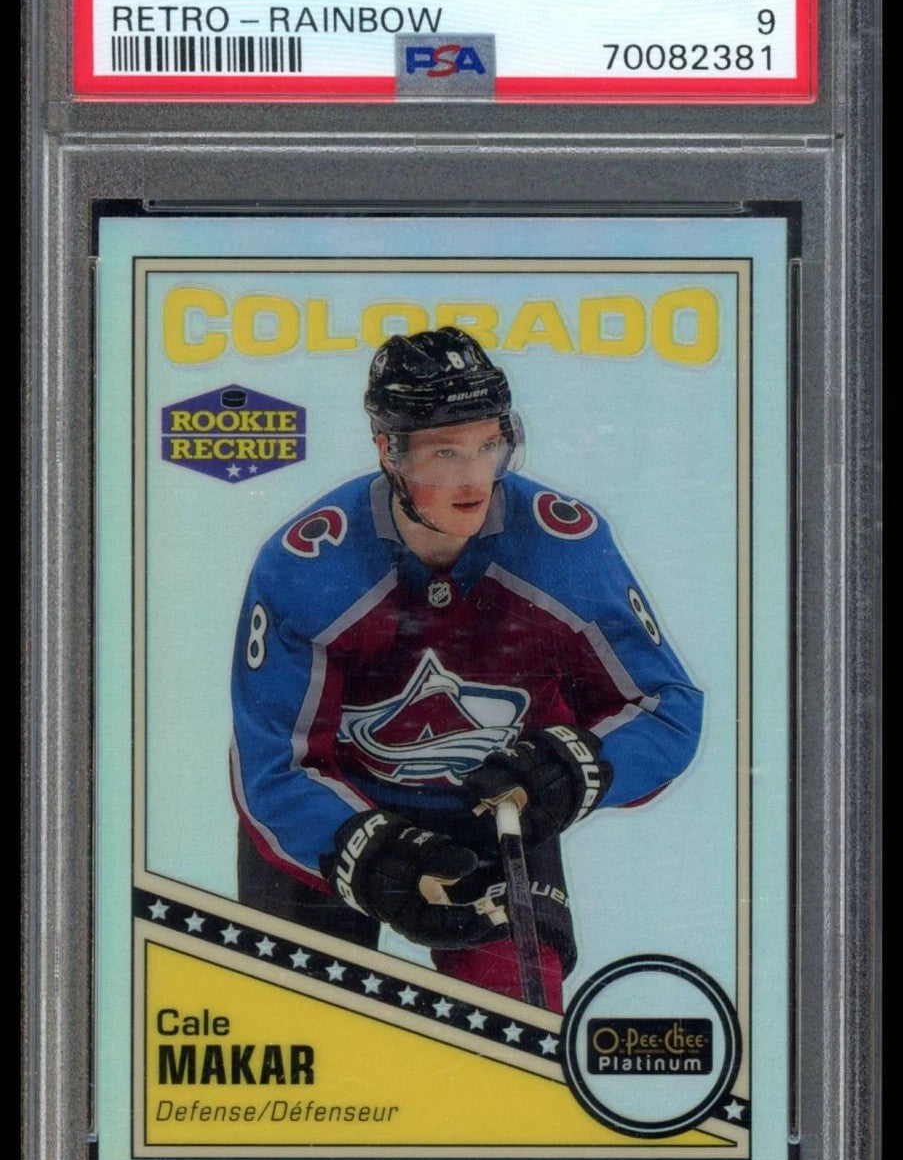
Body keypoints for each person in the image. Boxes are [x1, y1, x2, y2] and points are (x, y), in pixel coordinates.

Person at [230, 329, 703, 1012]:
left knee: (515, 1032)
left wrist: (573, 769)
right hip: (331, 808)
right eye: (445, 452)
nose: (474, 478)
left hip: (493, 811)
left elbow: (667, 707)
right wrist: (365, 855)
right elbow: (272, 766)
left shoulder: (566, 550)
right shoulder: (306, 567)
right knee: (298, 1031)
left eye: (489, 446)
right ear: (387, 452)